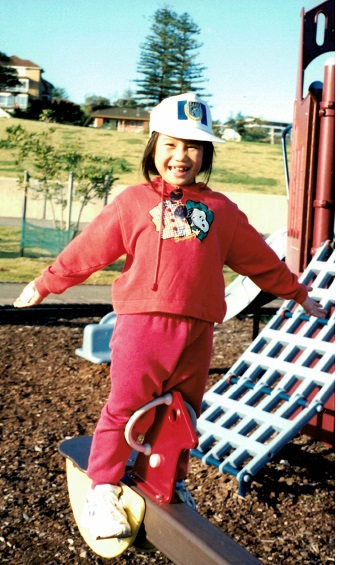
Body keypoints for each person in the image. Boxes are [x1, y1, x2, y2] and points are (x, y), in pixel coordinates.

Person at [14, 92, 327, 540]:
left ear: (206, 155)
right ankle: (102, 487)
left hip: (198, 330)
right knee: (125, 406)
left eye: (193, 147)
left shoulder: (221, 211)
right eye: (171, 145)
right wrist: (46, 282)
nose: (181, 156)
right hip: (145, 325)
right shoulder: (133, 202)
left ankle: (170, 480)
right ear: (154, 147)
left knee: (184, 413)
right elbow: (89, 250)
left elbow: (259, 260)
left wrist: (296, 293)